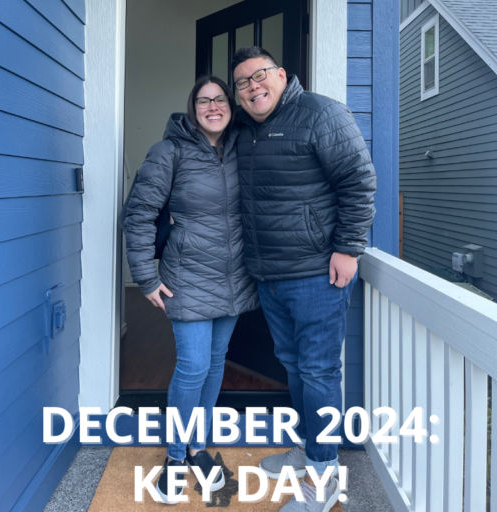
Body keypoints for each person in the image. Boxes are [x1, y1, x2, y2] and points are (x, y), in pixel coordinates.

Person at [230, 46, 376, 511]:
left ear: (282, 75)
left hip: (317, 273)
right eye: (242, 83)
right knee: (294, 366)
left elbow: (358, 181)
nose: (252, 87)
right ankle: (307, 449)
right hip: (270, 274)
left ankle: (324, 477)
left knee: (317, 371)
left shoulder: (321, 114)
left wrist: (348, 249)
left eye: (260, 76)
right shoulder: (245, 131)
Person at [122, 76, 259, 502]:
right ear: (192, 107)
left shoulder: (245, 148)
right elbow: (139, 214)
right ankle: (176, 456)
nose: (213, 107)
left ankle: (198, 446)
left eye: (220, 99)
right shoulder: (169, 152)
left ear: (231, 106)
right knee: (193, 366)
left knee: (216, 364)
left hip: (236, 276)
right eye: (204, 101)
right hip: (188, 277)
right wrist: (146, 276)